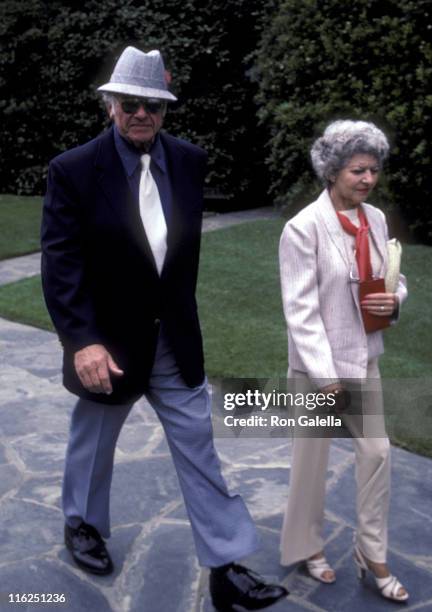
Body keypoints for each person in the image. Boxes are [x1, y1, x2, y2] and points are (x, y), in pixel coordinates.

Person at [41, 46, 287, 611]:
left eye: (153, 104)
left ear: (165, 108)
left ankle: (226, 566)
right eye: (129, 103)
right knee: (93, 441)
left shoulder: (189, 160)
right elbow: (62, 264)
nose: (141, 113)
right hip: (108, 345)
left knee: (200, 448)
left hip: (173, 340)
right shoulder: (73, 170)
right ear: (109, 106)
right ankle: (82, 524)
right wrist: (82, 340)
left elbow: (175, 258)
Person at [278, 120, 409, 603]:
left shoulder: (374, 219)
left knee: (376, 453)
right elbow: (300, 310)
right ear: (332, 171)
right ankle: (307, 548)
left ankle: (370, 553)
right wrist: (326, 376)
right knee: (310, 464)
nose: (368, 180)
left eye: (374, 170)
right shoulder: (301, 229)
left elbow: (393, 278)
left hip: (365, 359)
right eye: (358, 170)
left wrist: (394, 301)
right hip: (318, 371)